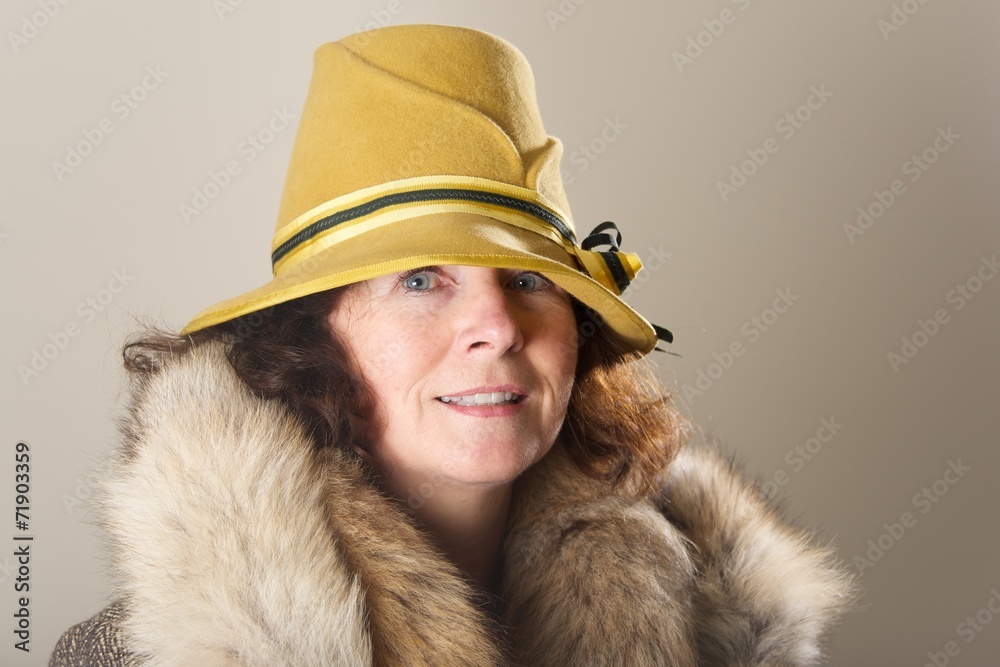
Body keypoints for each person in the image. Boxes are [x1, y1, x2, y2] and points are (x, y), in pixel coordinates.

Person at [50, 24, 855, 666]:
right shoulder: (129, 656)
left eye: (530, 279)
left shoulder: (717, 632)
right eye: (420, 280)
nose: (499, 326)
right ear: (313, 334)